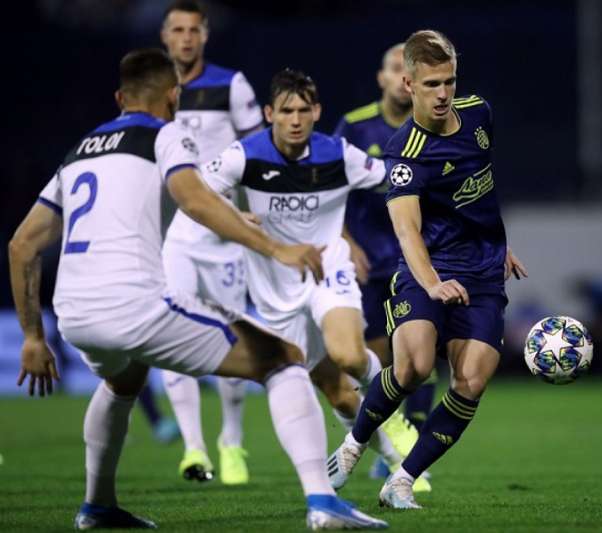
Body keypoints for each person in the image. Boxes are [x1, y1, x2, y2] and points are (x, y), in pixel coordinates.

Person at [8, 48, 386, 530]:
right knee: (284, 358)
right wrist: (276, 248)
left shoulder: (82, 149)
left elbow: (22, 245)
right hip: (137, 306)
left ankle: (97, 506)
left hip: (75, 314)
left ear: (120, 97)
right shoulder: (168, 134)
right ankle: (323, 503)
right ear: (174, 95)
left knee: (121, 382)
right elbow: (193, 200)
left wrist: (34, 337)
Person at [326, 30, 528, 509]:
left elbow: (482, 186)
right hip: (427, 270)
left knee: (472, 381)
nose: (443, 94)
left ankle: (403, 479)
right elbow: (408, 231)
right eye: (432, 84)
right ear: (409, 82)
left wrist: (499, 244)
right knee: (413, 366)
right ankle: (355, 443)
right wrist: (433, 284)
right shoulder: (404, 152)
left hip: (481, 273)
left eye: (450, 82)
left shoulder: (480, 112)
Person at [200, 68, 422, 487]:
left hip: (328, 270)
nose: (296, 119)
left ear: (317, 111)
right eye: (287, 111)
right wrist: (233, 214)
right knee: (338, 393)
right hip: (275, 289)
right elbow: (196, 194)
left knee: (350, 355)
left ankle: (393, 416)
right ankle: (398, 462)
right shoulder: (243, 155)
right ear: (270, 113)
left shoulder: (339, 153)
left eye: (304, 110)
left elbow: (397, 180)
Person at [159, 0, 264, 484]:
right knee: (172, 333)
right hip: (176, 234)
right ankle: (194, 448)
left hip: (225, 234)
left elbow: (261, 155)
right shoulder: (152, 88)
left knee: (229, 338)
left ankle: (233, 441)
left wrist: (253, 216)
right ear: (165, 36)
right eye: (176, 29)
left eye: (192, 30)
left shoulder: (231, 84)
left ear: (205, 36)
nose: (184, 38)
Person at [333, 43, 436, 481]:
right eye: (395, 68)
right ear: (383, 78)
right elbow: (326, 190)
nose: (401, 77)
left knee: (422, 354)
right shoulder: (354, 127)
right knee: (378, 360)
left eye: (407, 70)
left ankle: (406, 452)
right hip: (368, 263)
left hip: (415, 260)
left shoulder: (432, 127)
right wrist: (344, 240)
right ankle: (389, 443)